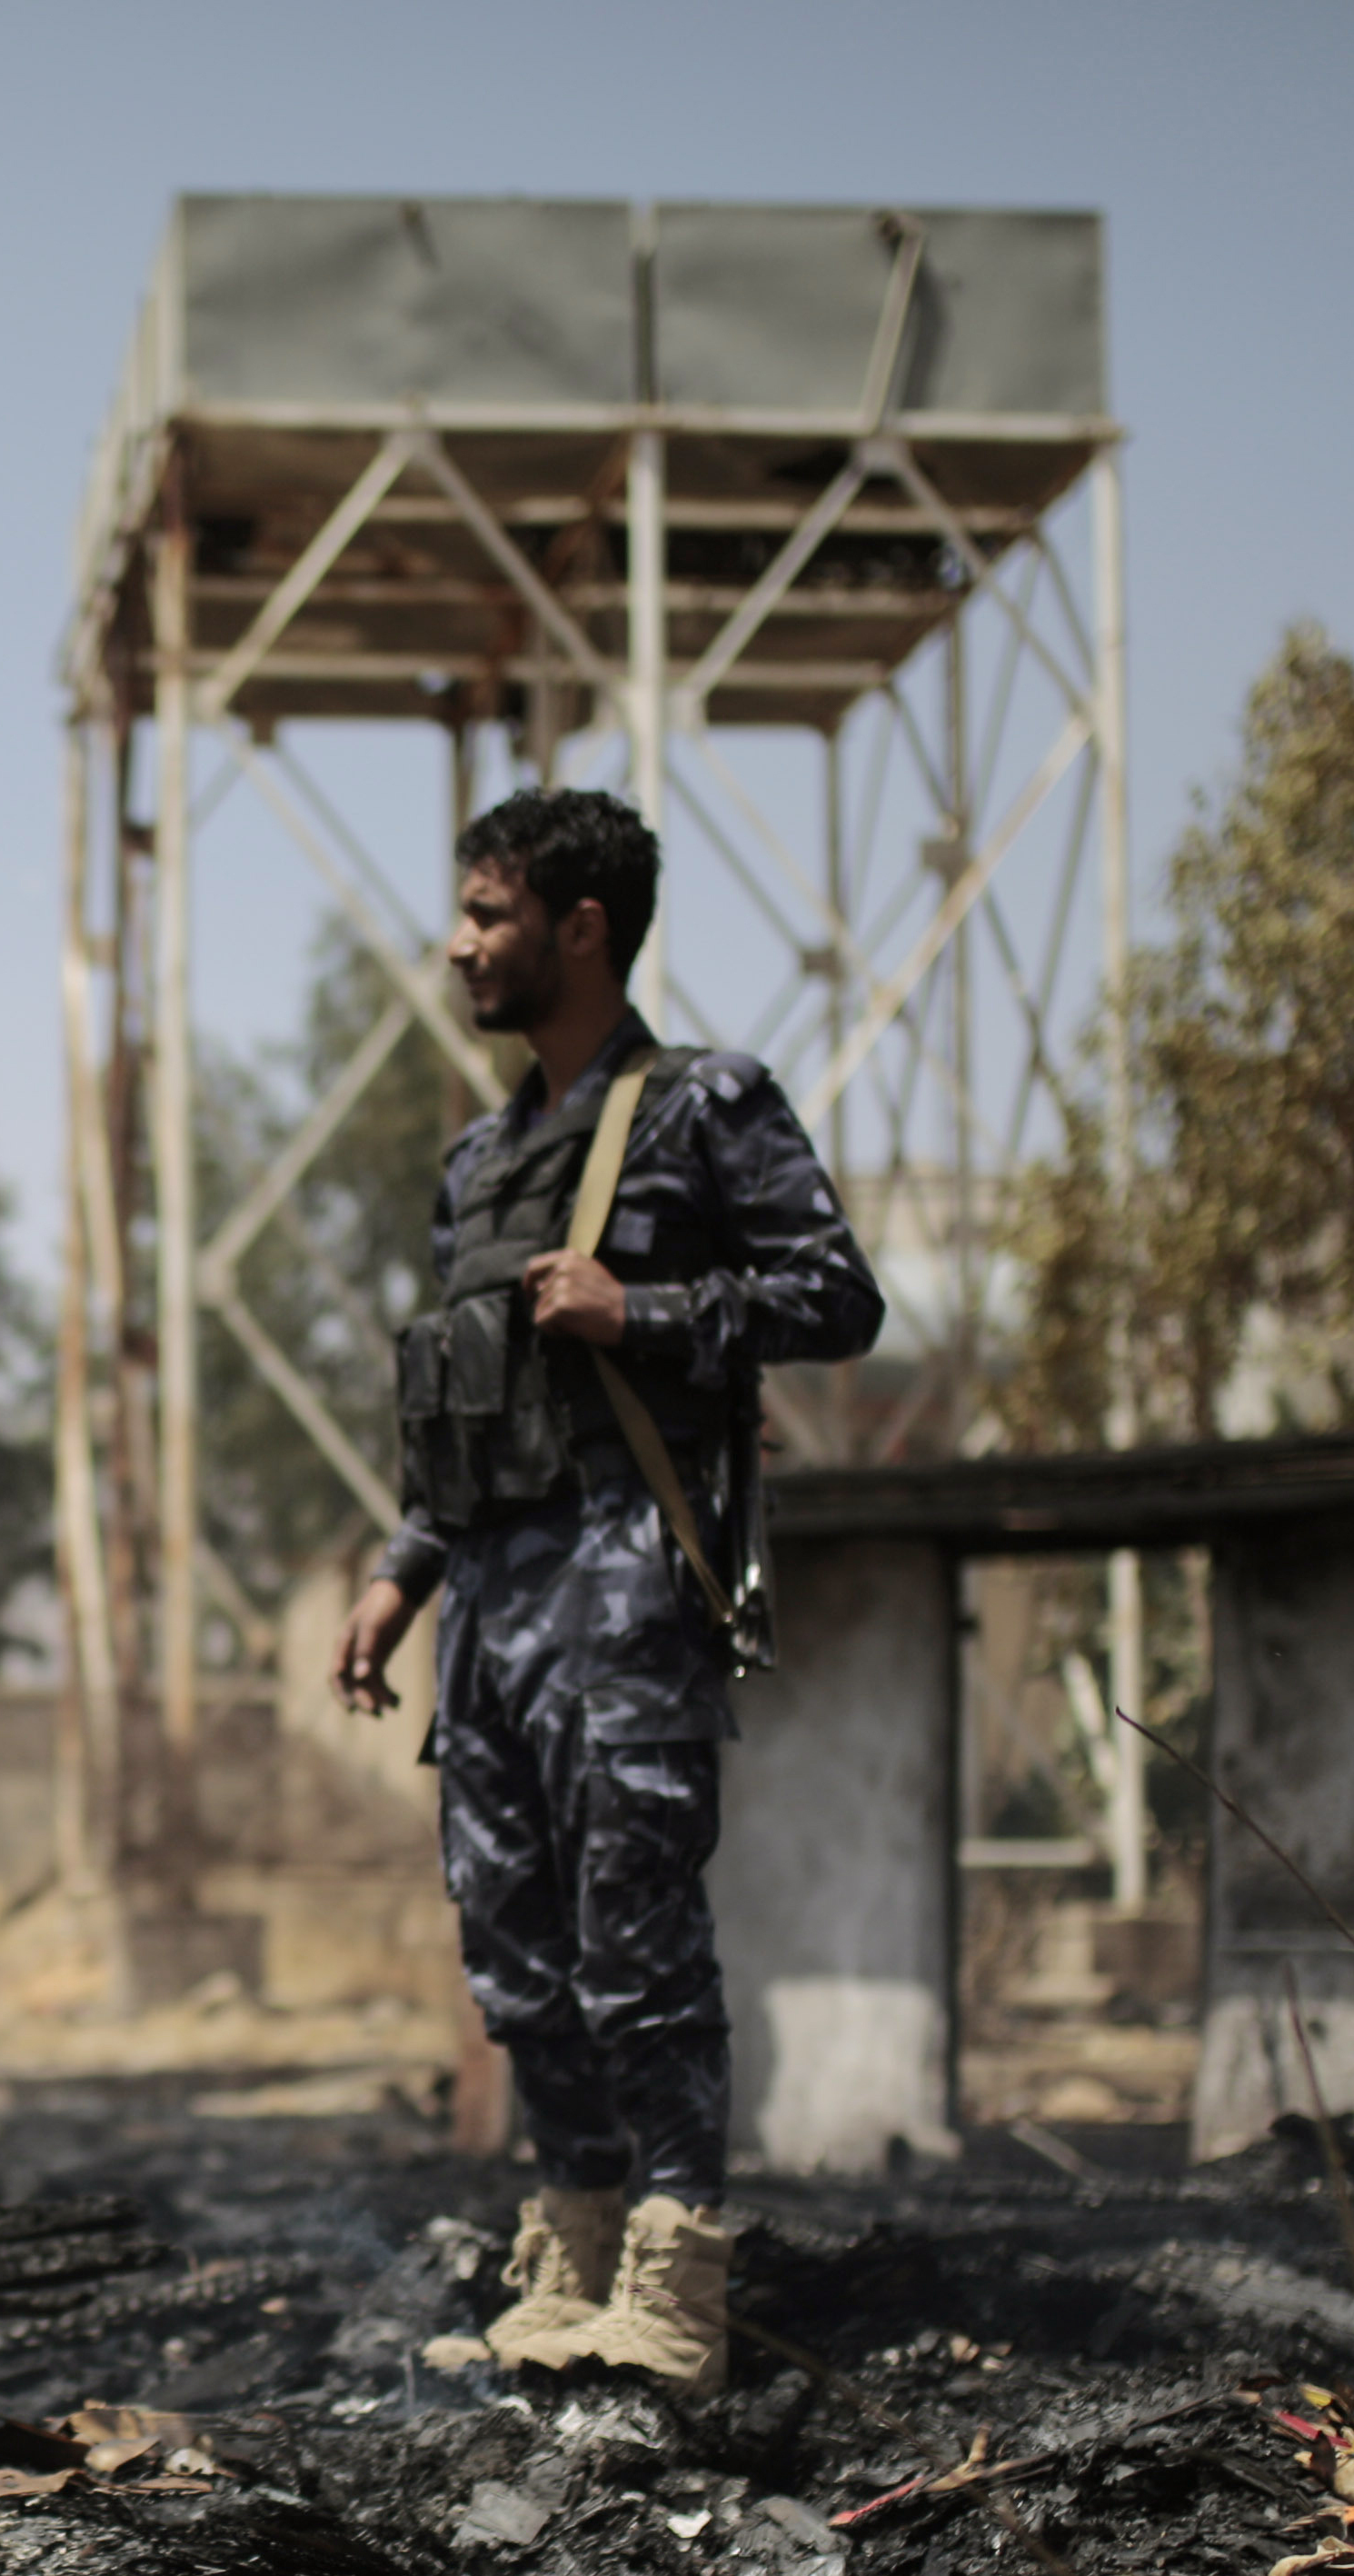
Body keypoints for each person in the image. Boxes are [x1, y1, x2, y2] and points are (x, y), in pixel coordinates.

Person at [332, 790, 883, 2390]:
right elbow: (469, 1412)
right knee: (513, 1949)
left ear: (580, 930)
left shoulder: (710, 1104)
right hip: (495, 1614)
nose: (458, 946)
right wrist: (398, 1580)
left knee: (637, 1943)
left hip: (631, 1592)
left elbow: (836, 1297)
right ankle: (568, 2249)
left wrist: (645, 1311)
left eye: (489, 918)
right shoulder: (479, 1160)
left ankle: (676, 2272)